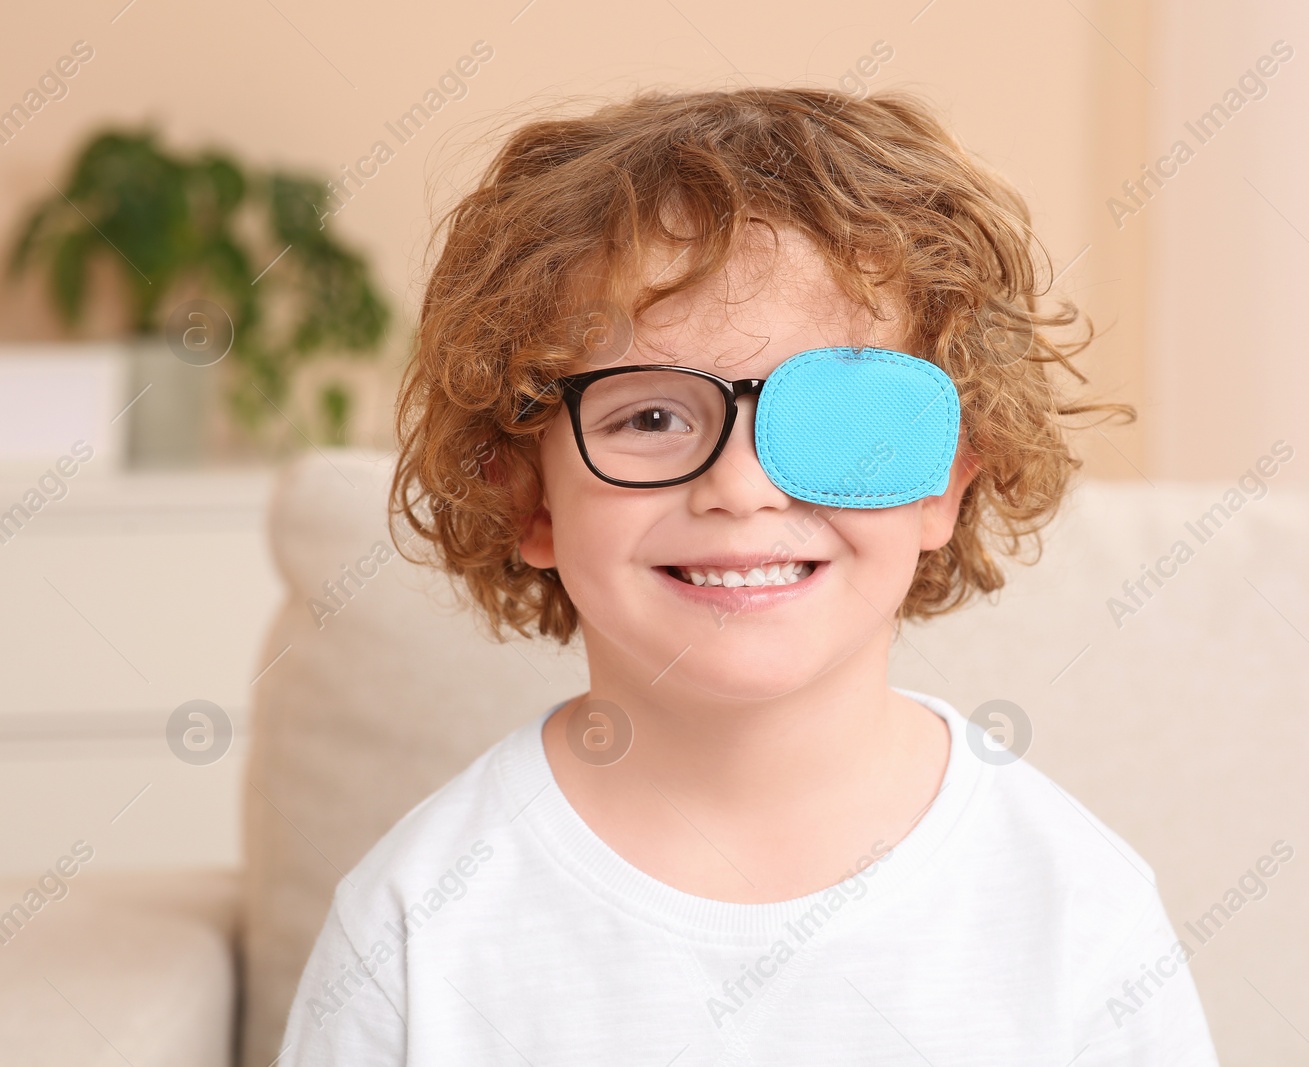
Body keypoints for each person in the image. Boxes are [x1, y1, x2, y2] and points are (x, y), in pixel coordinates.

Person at [277, 85, 1220, 1065]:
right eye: (649, 418)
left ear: (943, 481)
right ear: (528, 495)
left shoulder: (1073, 903)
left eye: (833, 416)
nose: (740, 485)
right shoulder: (416, 925)